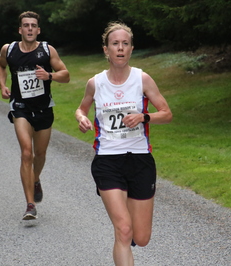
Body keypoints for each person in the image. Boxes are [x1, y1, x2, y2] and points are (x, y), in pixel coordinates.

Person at [75, 22, 172, 265]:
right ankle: (122, 238)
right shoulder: (95, 83)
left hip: (140, 160)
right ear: (106, 50)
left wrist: (143, 116)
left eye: (125, 44)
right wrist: (82, 118)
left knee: (141, 237)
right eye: (115, 44)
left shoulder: (143, 79)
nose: (120, 48)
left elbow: (166, 113)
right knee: (124, 230)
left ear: (131, 49)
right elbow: (81, 108)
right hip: (107, 160)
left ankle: (124, 240)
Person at [0, 11, 70, 220]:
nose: (29, 29)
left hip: (44, 109)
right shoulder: (9, 50)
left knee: (41, 154)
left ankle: (35, 179)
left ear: (38, 30)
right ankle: (30, 204)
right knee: (26, 153)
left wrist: (49, 76)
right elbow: (0, 65)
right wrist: (2, 86)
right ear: (20, 29)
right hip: (20, 108)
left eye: (33, 26)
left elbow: (66, 75)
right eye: (26, 25)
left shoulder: (47, 50)